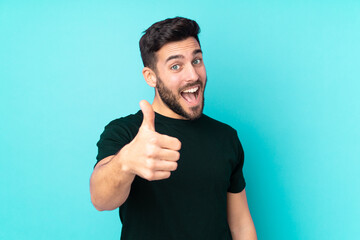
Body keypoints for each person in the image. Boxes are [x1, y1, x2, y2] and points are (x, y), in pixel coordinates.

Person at [90, 17, 257, 240]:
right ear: (151, 77)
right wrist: (126, 162)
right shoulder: (125, 132)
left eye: (197, 60)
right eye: (176, 66)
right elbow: (101, 200)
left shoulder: (226, 137)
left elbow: (241, 225)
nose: (193, 75)